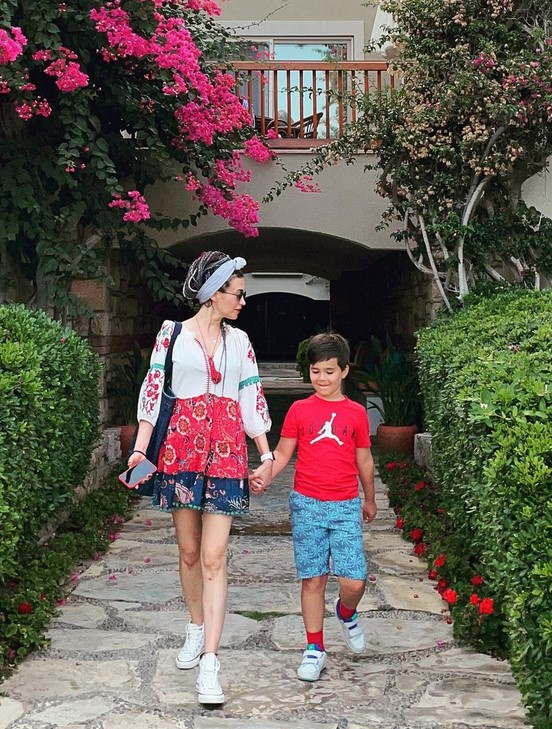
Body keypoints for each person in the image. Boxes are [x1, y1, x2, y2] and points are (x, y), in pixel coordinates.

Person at [127, 251, 273, 705]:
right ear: (212, 294)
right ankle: (195, 625)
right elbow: (153, 392)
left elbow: (250, 394)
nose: (243, 302)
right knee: (189, 552)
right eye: (237, 293)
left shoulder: (241, 341)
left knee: (214, 556)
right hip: (181, 448)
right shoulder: (172, 334)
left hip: (226, 451)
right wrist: (139, 449)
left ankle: (211, 660)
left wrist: (266, 453)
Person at [251, 332, 377, 682]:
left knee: (354, 580)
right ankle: (314, 648)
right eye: (315, 371)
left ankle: (346, 612)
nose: (322, 378)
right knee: (313, 579)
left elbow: (364, 460)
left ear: (344, 371)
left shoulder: (356, 413)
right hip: (306, 504)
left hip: (345, 505)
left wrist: (369, 498)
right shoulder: (299, 410)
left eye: (329, 371)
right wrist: (265, 474)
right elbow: (282, 453)